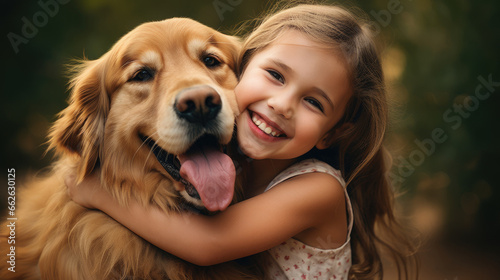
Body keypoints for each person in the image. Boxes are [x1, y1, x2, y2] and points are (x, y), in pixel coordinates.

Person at [67, 3, 418, 279]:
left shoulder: (319, 188)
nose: (282, 105)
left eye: (211, 61)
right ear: (247, 69)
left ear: (333, 131)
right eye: (275, 75)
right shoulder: (250, 166)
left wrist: (97, 193)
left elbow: (207, 245)